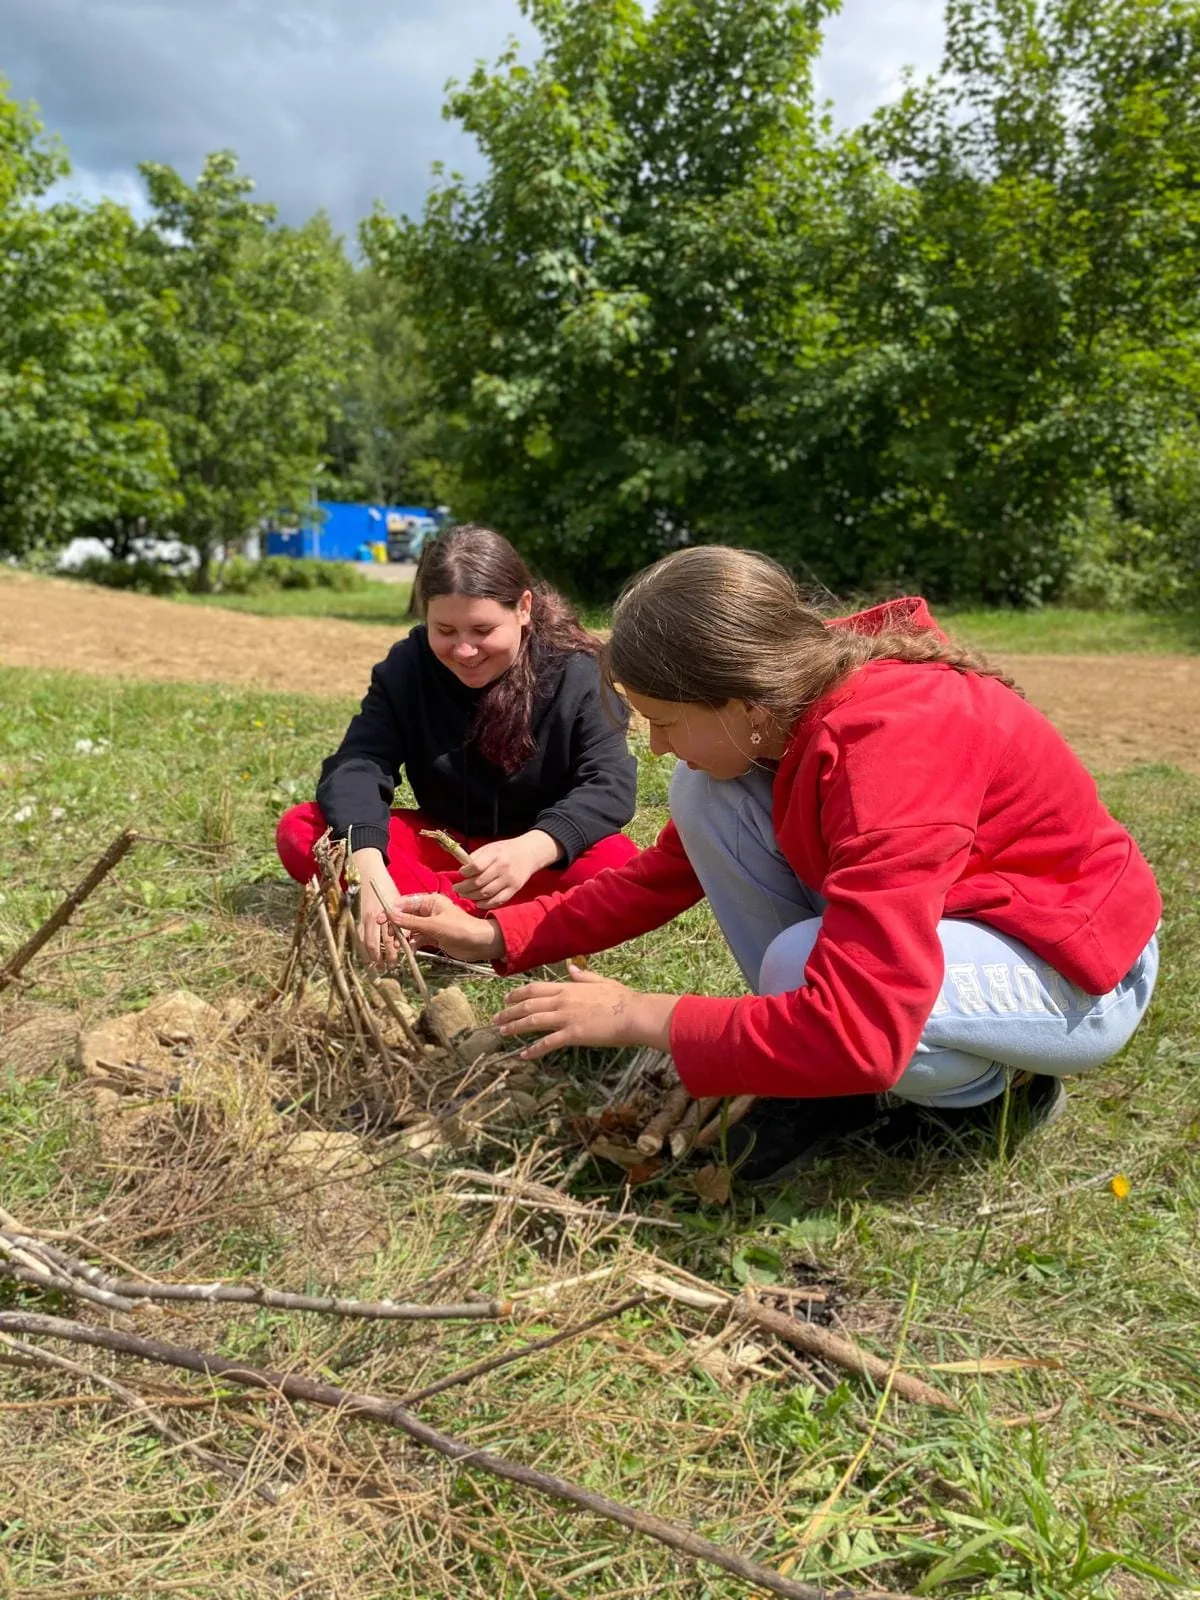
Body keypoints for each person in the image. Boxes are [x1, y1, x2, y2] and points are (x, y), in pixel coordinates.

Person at [389, 546, 1162, 1181]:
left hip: (1074, 970)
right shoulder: (784, 703)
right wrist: (496, 936)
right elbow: (664, 875)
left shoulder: (893, 747)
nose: (654, 745)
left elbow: (861, 1023)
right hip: (965, 921)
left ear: (743, 707)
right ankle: (814, 1073)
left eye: (665, 720)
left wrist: (639, 1016)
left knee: (804, 965)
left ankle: (996, 1095)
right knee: (703, 794)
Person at [276, 524, 639, 965]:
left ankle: (432, 920)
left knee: (617, 864)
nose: (464, 650)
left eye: (482, 629)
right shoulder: (408, 667)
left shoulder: (576, 672)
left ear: (524, 608)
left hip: (534, 860)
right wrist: (368, 869)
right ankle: (473, 924)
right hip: (443, 842)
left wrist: (533, 848)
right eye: (445, 630)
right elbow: (359, 763)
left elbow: (609, 784)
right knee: (304, 828)